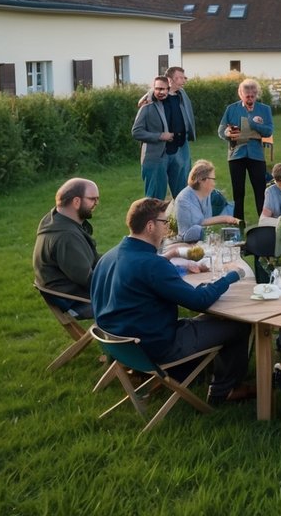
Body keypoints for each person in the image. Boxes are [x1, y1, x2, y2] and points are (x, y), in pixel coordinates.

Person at [91, 197, 253, 405]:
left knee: (208, 320)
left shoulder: (109, 257)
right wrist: (232, 275)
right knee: (238, 325)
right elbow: (199, 300)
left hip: (123, 345)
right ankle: (225, 390)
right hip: (156, 346)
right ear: (150, 226)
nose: (167, 228)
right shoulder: (151, 265)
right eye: (164, 222)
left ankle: (195, 375)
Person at [34, 178, 101, 317]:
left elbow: (93, 262)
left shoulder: (57, 219)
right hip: (79, 301)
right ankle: (115, 337)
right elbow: (90, 281)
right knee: (145, 299)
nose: (96, 203)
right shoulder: (66, 237)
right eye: (93, 199)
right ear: (76, 202)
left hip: (75, 293)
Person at [136, 67, 198, 199]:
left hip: (181, 149)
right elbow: (137, 130)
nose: (183, 81)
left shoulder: (182, 94)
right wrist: (160, 136)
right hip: (158, 153)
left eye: (184, 77)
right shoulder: (152, 100)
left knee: (184, 195)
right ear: (169, 80)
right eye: (180, 78)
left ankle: (179, 219)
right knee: (155, 198)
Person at [217, 78, 273, 223]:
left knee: (260, 190)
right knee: (238, 192)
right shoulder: (231, 109)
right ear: (240, 94)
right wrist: (227, 133)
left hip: (256, 155)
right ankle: (238, 224)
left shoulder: (264, 109)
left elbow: (269, 131)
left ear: (256, 94)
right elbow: (221, 130)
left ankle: (264, 222)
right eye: (247, 95)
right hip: (236, 154)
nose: (250, 98)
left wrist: (253, 124)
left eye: (253, 96)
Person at [132, 76, 176, 200]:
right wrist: (160, 136)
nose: (160, 92)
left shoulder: (167, 104)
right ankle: (147, 219)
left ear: (168, 89)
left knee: (160, 199)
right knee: (152, 200)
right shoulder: (146, 107)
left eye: (163, 89)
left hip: (166, 157)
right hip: (152, 158)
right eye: (157, 89)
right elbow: (136, 132)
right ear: (153, 89)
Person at [174, 159, 238, 242]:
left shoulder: (205, 193)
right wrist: (224, 218)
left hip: (201, 239)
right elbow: (197, 226)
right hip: (187, 242)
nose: (214, 183)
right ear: (202, 180)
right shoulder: (184, 200)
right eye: (213, 179)